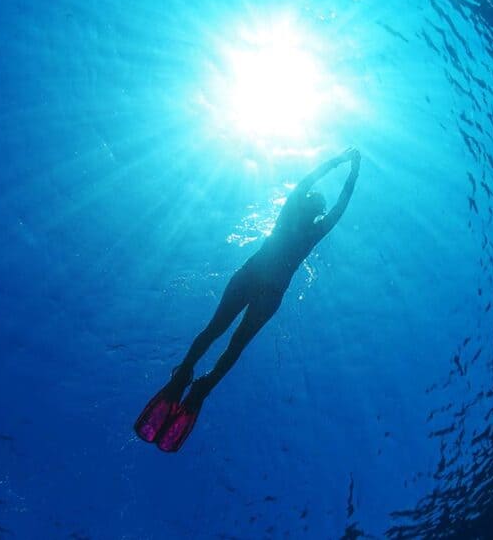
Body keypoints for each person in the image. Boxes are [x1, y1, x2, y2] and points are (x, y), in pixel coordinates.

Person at [135, 148, 361, 452]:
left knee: (218, 332)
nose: (316, 204)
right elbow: (336, 203)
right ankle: (200, 383)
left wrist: (345, 164)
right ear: (315, 208)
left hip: (252, 276)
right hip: (268, 289)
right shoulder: (309, 225)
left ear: (310, 205)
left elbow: (325, 193)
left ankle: (190, 375)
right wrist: (350, 168)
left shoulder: (295, 214)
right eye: (317, 203)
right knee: (228, 339)